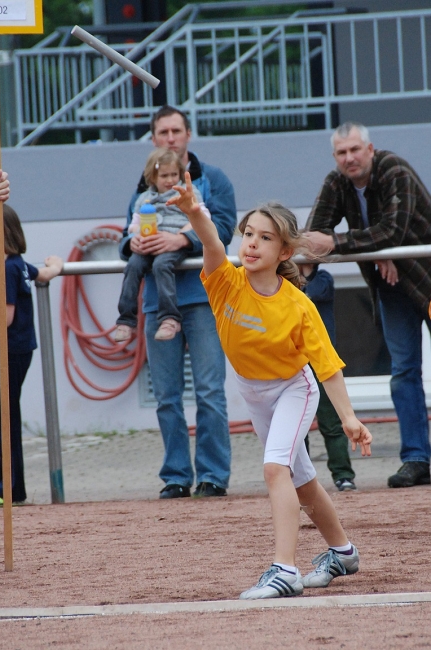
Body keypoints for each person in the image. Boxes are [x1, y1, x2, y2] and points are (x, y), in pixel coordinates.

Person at [167, 174, 372, 599]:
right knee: (300, 480)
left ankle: (285, 571)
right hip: (253, 390)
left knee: (275, 468)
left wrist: (350, 417)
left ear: (285, 251)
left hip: (293, 389)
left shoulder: (299, 305)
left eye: (265, 237)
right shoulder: (226, 281)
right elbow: (210, 243)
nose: (252, 243)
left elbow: (327, 366)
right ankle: (343, 552)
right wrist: (194, 211)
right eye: (248, 234)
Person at [305, 121, 431, 489]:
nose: (349, 158)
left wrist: (352, 244)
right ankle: (417, 459)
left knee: (406, 370)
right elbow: (315, 234)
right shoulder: (337, 182)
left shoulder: (395, 169)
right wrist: (373, 251)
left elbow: (392, 230)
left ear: (370, 149)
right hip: (392, 286)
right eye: (342, 153)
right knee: (404, 371)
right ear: (335, 157)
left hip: (427, 277)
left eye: (355, 150)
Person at [119, 106, 236, 499]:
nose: (170, 138)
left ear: (188, 134)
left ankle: (213, 476)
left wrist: (182, 240)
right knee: (167, 396)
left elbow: (224, 228)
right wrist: (131, 243)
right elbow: (126, 233)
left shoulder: (213, 178)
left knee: (209, 390)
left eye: (176, 130)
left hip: (203, 297)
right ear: (154, 138)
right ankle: (175, 476)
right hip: (156, 301)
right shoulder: (144, 184)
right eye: (163, 132)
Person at [0, 204, 63, 506]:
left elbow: (5, 316)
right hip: (19, 350)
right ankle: (13, 487)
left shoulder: (7, 268)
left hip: (8, 351)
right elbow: (44, 274)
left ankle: (7, 488)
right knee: (7, 416)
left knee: (4, 419)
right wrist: (56, 264)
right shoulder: (18, 264)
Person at [115, 148, 210, 343]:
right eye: (164, 175)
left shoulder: (188, 193)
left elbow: (203, 217)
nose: (170, 180)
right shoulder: (144, 198)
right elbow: (133, 225)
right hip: (149, 242)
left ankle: (169, 318)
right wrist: (135, 238)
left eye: (174, 175)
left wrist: (183, 234)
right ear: (152, 177)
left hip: (175, 243)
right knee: (133, 266)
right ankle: (126, 319)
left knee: (161, 265)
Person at [300, 263, 356, 491]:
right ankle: (298, 477)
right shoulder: (282, 280)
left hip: (321, 364)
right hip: (296, 364)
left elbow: (309, 295)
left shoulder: (323, 279)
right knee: (298, 428)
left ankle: (343, 475)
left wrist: (303, 271)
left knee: (332, 423)